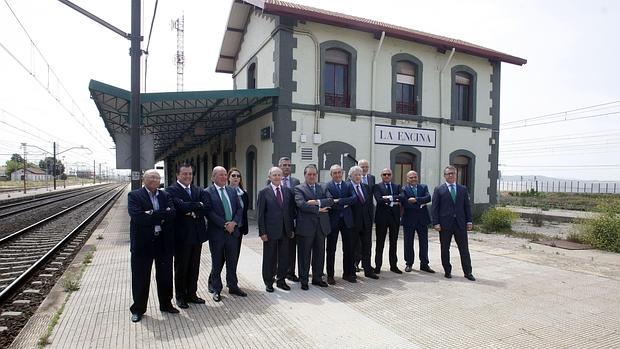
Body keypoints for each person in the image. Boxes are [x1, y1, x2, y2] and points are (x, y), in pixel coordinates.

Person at [128, 170, 178, 322]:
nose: (154, 180)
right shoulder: (134, 195)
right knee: (140, 277)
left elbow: (172, 214)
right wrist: (161, 216)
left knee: (165, 275)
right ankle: (138, 309)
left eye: (157, 177)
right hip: (143, 244)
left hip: (163, 242)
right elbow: (137, 217)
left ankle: (166, 304)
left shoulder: (165, 195)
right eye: (151, 177)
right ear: (144, 179)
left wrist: (151, 213)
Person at [166, 164, 208, 309]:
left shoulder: (198, 189)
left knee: (194, 266)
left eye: (190, 174)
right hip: (182, 236)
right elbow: (180, 208)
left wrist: (192, 210)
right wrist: (197, 206)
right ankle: (180, 296)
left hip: (197, 235)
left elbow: (206, 207)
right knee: (181, 267)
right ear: (177, 175)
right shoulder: (171, 190)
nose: (188, 176)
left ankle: (192, 294)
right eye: (185, 174)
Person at [204, 166, 246, 301]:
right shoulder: (207, 192)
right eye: (220, 175)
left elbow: (240, 209)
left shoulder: (232, 191)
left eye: (224, 174)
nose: (223, 177)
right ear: (213, 177)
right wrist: (224, 224)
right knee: (216, 262)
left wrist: (233, 223)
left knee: (232, 261)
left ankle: (233, 286)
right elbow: (209, 212)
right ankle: (216, 289)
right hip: (217, 233)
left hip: (233, 232)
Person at [431, 165, 475, 281]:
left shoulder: (463, 189)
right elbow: (435, 208)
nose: (451, 175)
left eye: (453, 173)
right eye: (448, 173)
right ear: (444, 176)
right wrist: (436, 223)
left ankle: (468, 272)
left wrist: (469, 221)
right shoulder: (439, 189)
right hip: (445, 225)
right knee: (445, 249)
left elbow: (467, 206)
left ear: (456, 175)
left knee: (464, 249)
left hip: (460, 224)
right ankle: (447, 271)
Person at [293, 164, 333, 290]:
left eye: (314, 174)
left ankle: (317, 278)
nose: (312, 176)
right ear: (304, 175)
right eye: (309, 174)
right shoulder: (298, 188)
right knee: (304, 255)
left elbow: (331, 200)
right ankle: (304, 280)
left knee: (319, 254)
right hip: (306, 227)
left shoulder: (323, 186)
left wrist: (316, 202)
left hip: (321, 227)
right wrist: (319, 209)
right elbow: (301, 205)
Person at [256, 167, 295, 292]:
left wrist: (291, 229)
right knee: (270, 257)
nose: (277, 177)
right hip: (270, 231)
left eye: (279, 175)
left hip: (285, 230)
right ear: (270, 177)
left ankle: (281, 280)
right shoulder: (264, 192)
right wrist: (262, 232)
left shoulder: (287, 191)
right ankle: (268, 281)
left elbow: (290, 211)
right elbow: (260, 214)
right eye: (274, 175)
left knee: (284, 257)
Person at [324, 164, 357, 284]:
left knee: (348, 248)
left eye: (339, 172)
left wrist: (339, 201)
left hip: (347, 221)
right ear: (331, 174)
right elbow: (330, 201)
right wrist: (344, 203)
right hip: (333, 221)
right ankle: (330, 275)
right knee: (331, 249)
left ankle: (348, 273)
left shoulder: (348, 185)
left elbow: (354, 198)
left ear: (342, 173)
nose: (337, 175)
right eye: (335, 173)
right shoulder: (327, 186)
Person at [400, 170, 435, 274]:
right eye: (411, 177)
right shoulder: (403, 189)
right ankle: (409, 263)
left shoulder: (423, 187)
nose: (413, 179)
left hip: (422, 219)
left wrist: (416, 200)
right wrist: (420, 203)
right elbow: (405, 202)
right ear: (407, 179)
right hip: (409, 219)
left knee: (424, 243)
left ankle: (424, 264)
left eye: (415, 177)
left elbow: (428, 198)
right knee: (408, 242)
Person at [348, 166, 379, 280]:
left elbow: (369, 205)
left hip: (366, 222)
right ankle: (351, 272)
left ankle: (368, 270)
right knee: (352, 247)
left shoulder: (366, 187)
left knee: (367, 246)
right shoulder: (348, 186)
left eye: (359, 174)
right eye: (355, 175)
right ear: (350, 176)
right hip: (353, 223)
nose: (358, 177)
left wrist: (371, 220)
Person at [373, 168, 402, 274]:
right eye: (384, 174)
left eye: (388, 174)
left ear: (392, 175)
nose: (386, 176)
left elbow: (402, 197)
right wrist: (393, 200)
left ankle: (393, 265)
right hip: (382, 218)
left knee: (393, 243)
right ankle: (377, 266)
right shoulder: (377, 186)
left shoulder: (397, 186)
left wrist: (387, 198)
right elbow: (379, 200)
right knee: (380, 243)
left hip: (394, 218)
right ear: (381, 175)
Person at [278, 157, 301, 283]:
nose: (286, 167)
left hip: (291, 220)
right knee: (278, 249)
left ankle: (291, 272)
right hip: (277, 222)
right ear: (279, 166)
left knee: (291, 248)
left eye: (288, 165)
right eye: (284, 165)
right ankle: (278, 273)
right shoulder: (273, 181)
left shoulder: (296, 181)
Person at [354, 159, 375, 271]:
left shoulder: (371, 178)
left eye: (366, 167)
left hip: (368, 214)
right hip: (357, 216)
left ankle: (366, 264)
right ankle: (356, 262)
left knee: (367, 242)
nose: (364, 169)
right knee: (357, 242)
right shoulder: (352, 179)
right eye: (362, 167)